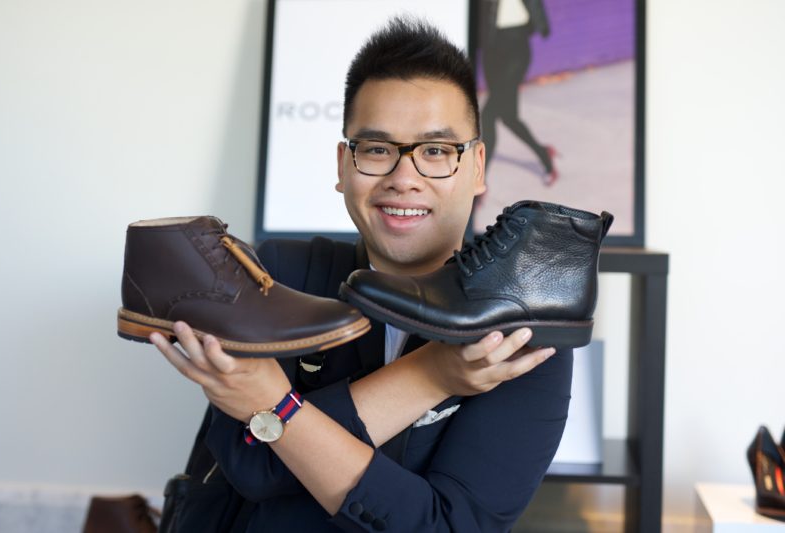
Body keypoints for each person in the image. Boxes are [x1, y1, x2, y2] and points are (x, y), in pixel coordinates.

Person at [150, 17, 573, 532]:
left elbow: (451, 526)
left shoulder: (520, 326)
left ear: (478, 166)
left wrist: (275, 406)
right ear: (343, 165)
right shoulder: (278, 276)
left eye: (436, 151)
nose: (404, 178)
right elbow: (250, 463)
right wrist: (433, 375)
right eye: (377, 150)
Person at [481, 0, 558, 185]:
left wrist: (541, 24)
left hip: (516, 46)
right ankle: (544, 153)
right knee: (509, 118)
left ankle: (480, 182)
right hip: (491, 47)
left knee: (487, 115)